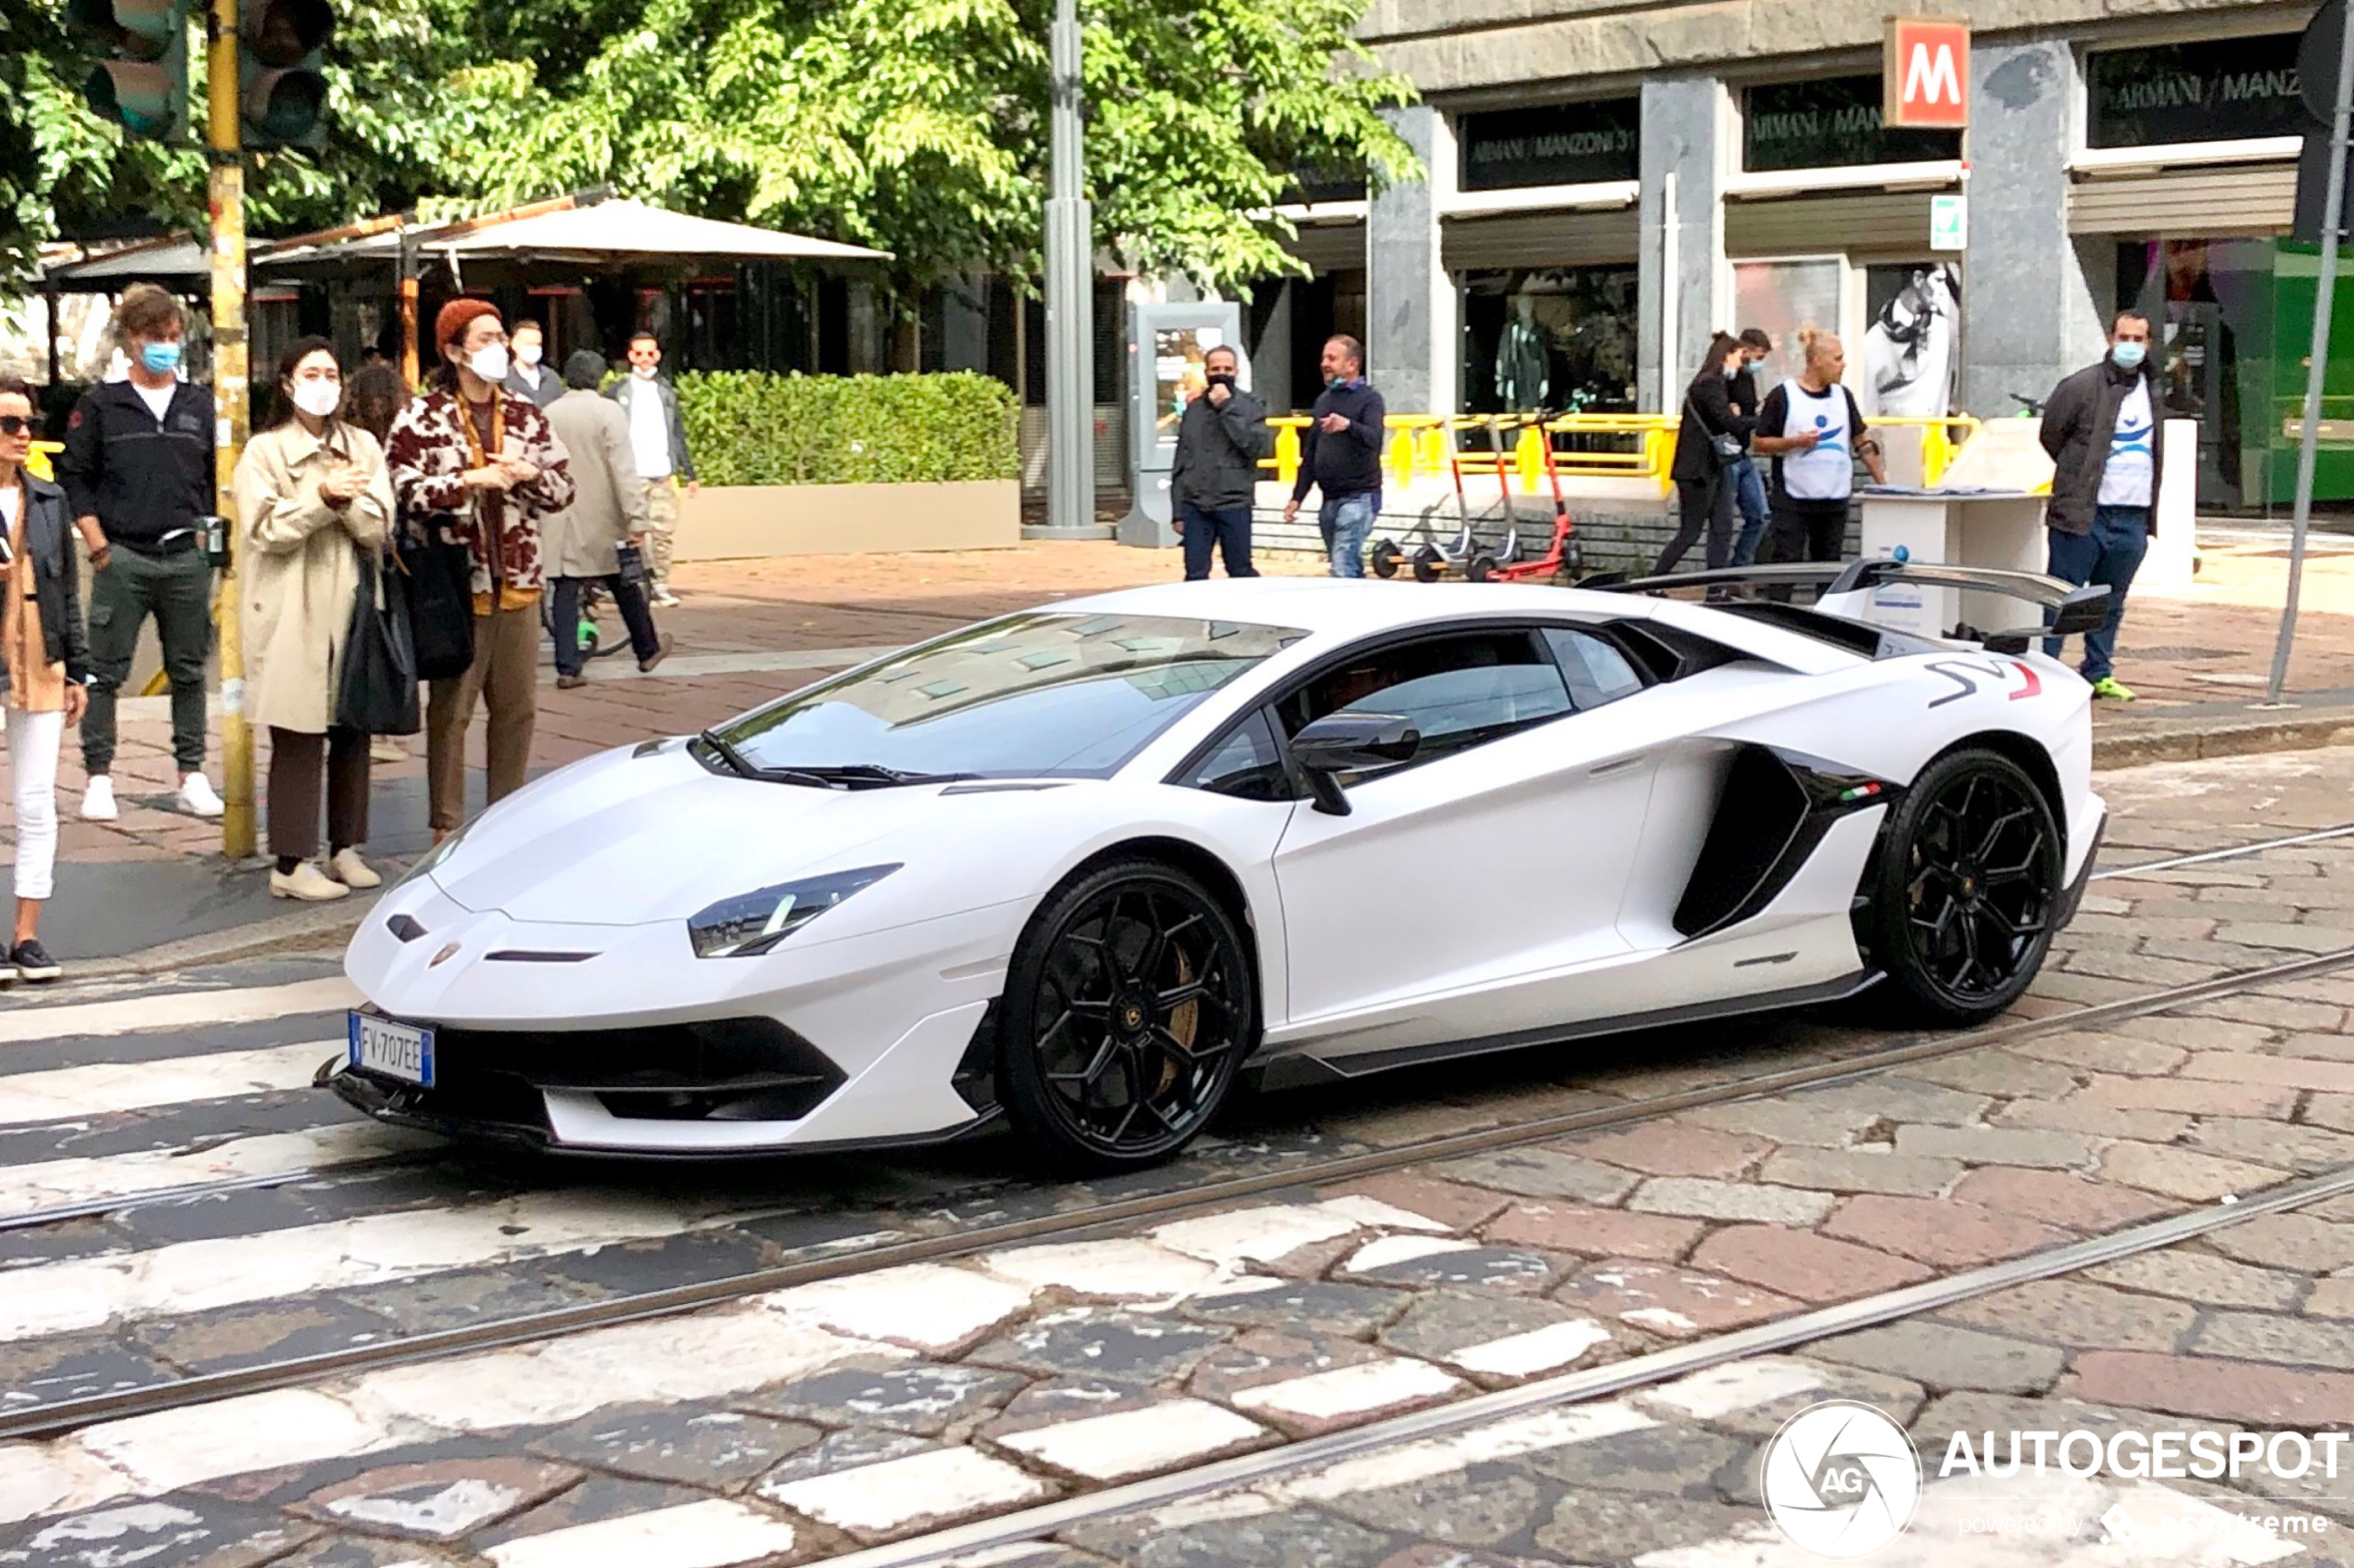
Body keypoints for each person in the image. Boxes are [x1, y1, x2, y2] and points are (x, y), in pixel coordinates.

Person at [385, 298, 575, 840]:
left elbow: (564, 488)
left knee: (517, 710)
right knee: (451, 712)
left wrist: (525, 475)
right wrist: (464, 484)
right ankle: (446, 825)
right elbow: (401, 490)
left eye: (500, 337)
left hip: (518, 582)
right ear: (454, 350)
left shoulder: (525, 413)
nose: (498, 348)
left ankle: (505, 822)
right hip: (455, 586)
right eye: (485, 339)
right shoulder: (422, 417)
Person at [233, 338, 397, 902]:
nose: (323, 383)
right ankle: (291, 861)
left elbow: (378, 524)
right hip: (287, 609)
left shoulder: (363, 446)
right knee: (298, 731)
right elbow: (266, 531)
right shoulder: (264, 452)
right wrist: (321, 497)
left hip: (352, 605)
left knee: (353, 723)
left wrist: (346, 501)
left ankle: (346, 846)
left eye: (331, 372)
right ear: (287, 383)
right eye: (311, 372)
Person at [56, 283, 223, 823]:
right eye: (156, 337)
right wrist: (99, 544)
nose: (167, 347)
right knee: (105, 671)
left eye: (174, 337)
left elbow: (218, 479)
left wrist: (208, 542)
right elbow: (75, 478)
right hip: (122, 555)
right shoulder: (101, 405)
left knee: (190, 668)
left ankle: (191, 773)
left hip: (185, 557)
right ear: (131, 339)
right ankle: (99, 776)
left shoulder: (201, 404)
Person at [0, 376, 89, 982]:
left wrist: (78, 669)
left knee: (36, 801)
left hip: (42, 653)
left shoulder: (50, 499)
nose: (25, 434)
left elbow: (67, 591)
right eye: (11, 425)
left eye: (29, 422)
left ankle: (27, 936)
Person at [2038, 310, 2164, 701]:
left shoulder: (2155, 388)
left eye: (2138, 339)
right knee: (2063, 596)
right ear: (2110, 340)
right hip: (2083, 514)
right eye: (2123, 337)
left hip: (2132, 515)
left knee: (2112, 601)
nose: (2130, 345)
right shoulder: (2080, 386)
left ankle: (2098, 671)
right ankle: (2044, 670)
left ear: (2149, 344)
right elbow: (2051, 435)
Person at [543, 349, 670, 689]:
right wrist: (636, 517)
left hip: (561, 517)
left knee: (565, 593)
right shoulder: (608, 412)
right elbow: (623, 469)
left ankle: (568, 667)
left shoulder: (549, 412)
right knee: (625, 584)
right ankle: (647, 648)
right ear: (599, 378)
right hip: (604, 517)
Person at [1753, 327, 1885, 567]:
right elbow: (1760, 442)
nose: (1843, 365)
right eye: (1837, 359)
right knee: (1787, 563)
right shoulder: (1783, 395)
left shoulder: (1843, 396)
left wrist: (1884, 485)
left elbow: (1862, 441)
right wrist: (1793, 442)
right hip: (1794, 499)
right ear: (1816, 361)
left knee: (1828, 566)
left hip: (1834, 498)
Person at [343, 361, 415, 768]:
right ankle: (382, 723)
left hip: (358, 549)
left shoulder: (351, 441)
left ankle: (361, 722)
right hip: (388, 550)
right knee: (385, 634)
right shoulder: (401, 438)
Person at [606, 332, 699, 608]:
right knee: (632, 534)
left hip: (661, 474)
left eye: (650, 353)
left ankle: (660, 584)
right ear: (630, 356)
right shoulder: (618, 392)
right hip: (631, 475)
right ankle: (635, 585)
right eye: (639, 354)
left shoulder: (666, 392)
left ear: (657, 355)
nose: (645, 359)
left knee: (663, 533)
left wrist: (689, 472)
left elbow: (677, 433)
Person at [1280, 335, 1385, 578]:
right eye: (1324, 358)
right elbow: (1311, 452)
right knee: (1345, 564)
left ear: (1352, 364)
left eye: (1332, 358)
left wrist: (1347, 425)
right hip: (1329, 498)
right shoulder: (1324, 400)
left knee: (1342, 565)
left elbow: (1374, 439)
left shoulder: (1370, 399)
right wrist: (1297, 497)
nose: (1325, 364)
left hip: (1359, 496)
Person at [1168, 345, 1270, 582]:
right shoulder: (1193, 409)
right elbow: (1182, 460)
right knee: (1195, 574)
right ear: (1206, 372)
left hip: (1233, 502)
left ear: (1236, 372)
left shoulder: (1251, 406)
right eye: (1215, 369)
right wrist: (1177, 512)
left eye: (1227, 368)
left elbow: (1255, 447)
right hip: (1196, 505)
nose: (1221, 373)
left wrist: (1227, 409)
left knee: (1240, 570)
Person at [1657, 333, 1752, 575]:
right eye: (1740, 357)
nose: (1741, 364)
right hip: (1696, 470)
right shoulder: (1709, 384)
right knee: (1690, 532)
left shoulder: (1711, 384)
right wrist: (1761, 421)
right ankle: (1655, 580)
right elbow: (1727, 422)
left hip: (1711, 466)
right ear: (1727, 356)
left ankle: (1715, 587)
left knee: (1723, 527)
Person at [1728, 327, 1774, 566]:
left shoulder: (1747, 377)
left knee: (1760, 515)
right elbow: (1729, 417)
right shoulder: (1729, 376)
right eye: (1759, 357)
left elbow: (1744, 411)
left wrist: (1757, 408)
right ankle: (1721, 575)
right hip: (1728, 455)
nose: (1759, 364)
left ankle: (1739, 569)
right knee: (1722, 521)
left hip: (1743, 453)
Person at [504, 321, 563, 411]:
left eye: (537, 344)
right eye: (528, 344)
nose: (533, 348)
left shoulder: (551, 377)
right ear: (513, 344)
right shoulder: (504, 380)